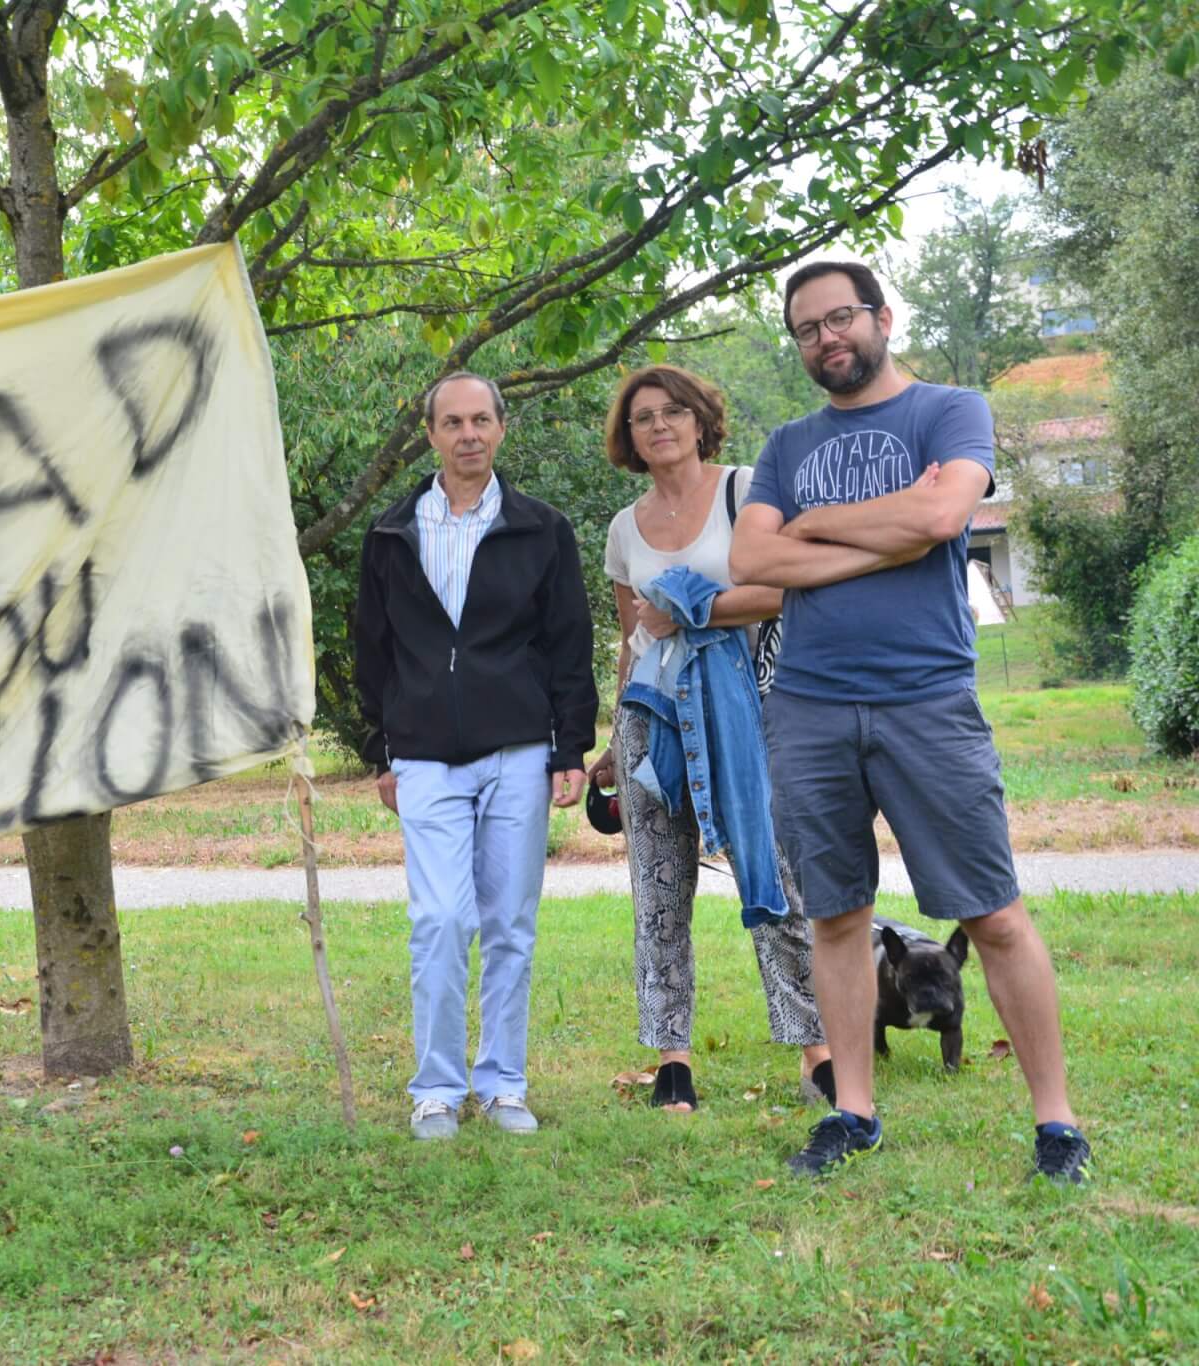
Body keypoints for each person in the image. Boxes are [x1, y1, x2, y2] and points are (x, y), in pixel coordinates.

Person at [731, 261, 1091, 1182]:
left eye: (840, 318)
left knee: (994, 913)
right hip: (807, 705)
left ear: (881, 317)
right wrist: (884, 535)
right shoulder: (786, 445)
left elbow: (942, 512)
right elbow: (750, 559)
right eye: (807, 328)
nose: (826, 338)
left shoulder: (950, 411)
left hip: (926, 698)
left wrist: (816, 528)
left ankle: (1056, 1125)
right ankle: (854, 1113)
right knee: (838, 917)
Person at [353, 371, 597, 1140]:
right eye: (452, 422)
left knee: (510, 924)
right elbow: (372, 650)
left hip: (519, 751)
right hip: (423, 755)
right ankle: (435, 1088)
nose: (468, 434)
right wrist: (378, 750)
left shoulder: (541, 529)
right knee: (439, 919)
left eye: (481, 420)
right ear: (430, 434)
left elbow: (567, 643)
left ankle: (503, 1085)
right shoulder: (393, 532)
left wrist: (570, 746)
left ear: (501, 429)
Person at [588, 366, 833, 1114]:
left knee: (778, 878)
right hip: (651, 722)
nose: (659, 426)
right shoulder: (624, 529)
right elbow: (632, 639)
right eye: (642, 419)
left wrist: (694, 609)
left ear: (700, 420)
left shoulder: (746, 490)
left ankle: (815, 1048)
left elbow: (791, 587)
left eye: (672, 412)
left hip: (746, 716)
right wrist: (610, 739)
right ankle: (672, 1059)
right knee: (659, 893)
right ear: (628, 438)